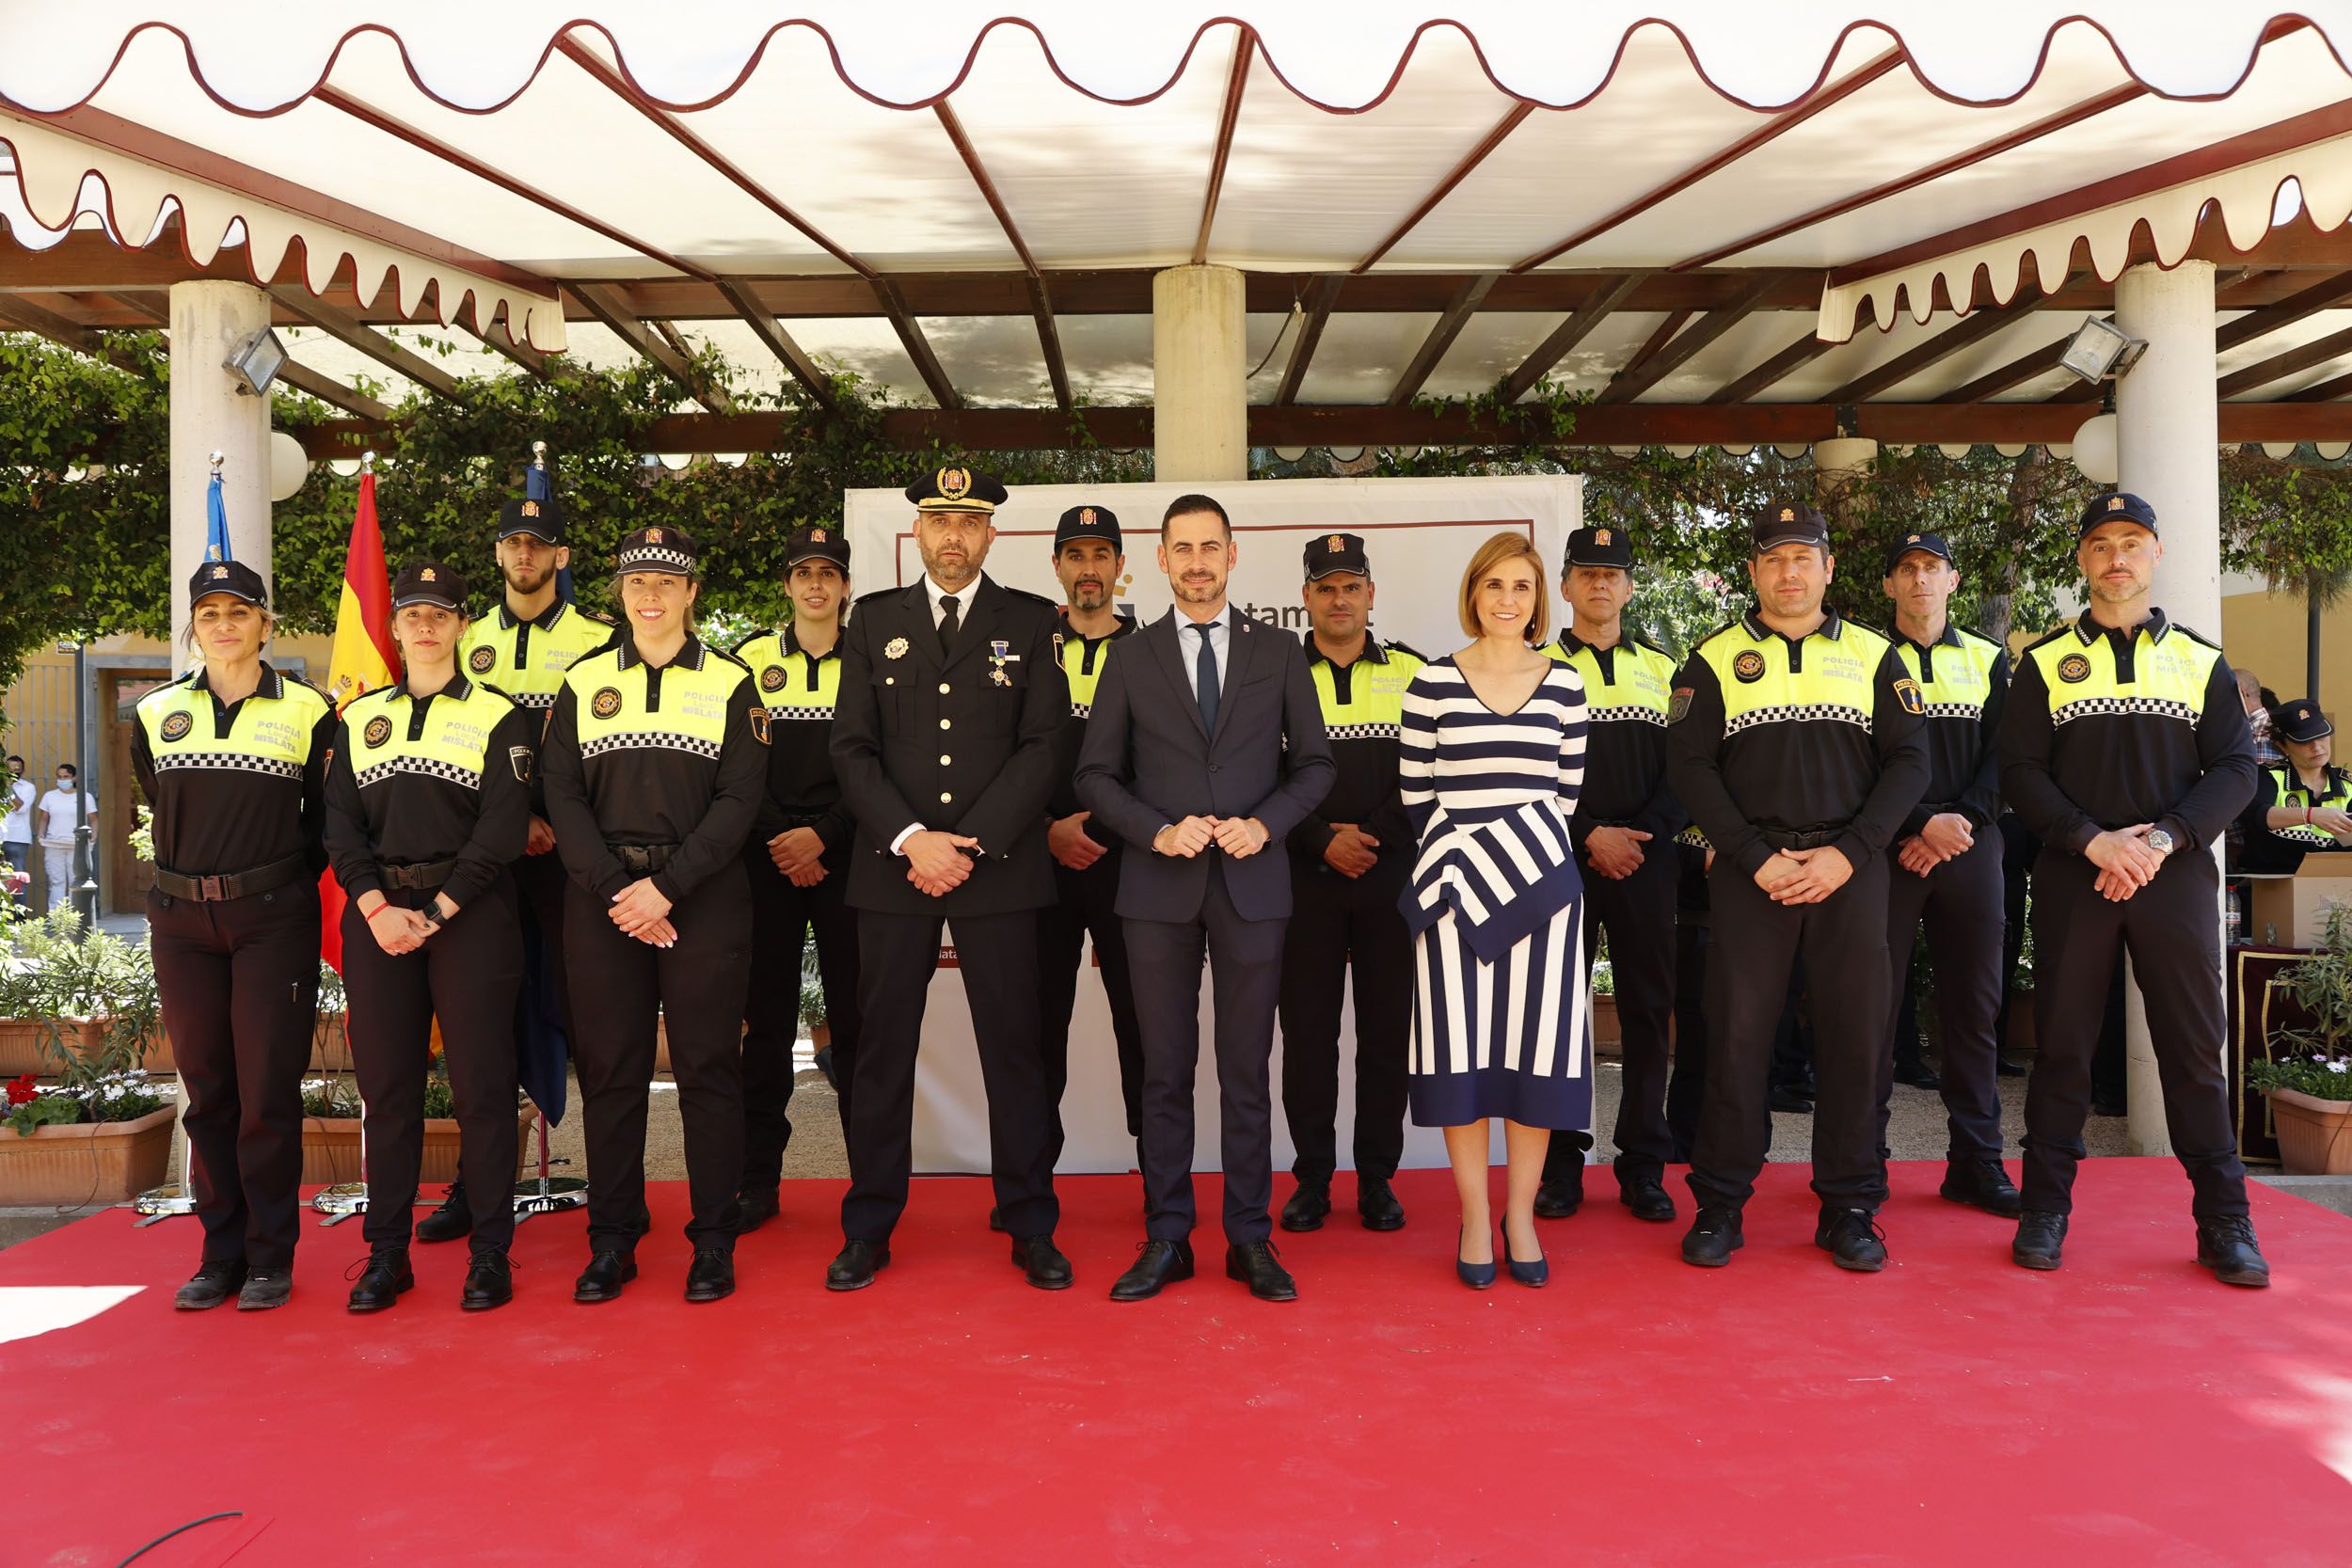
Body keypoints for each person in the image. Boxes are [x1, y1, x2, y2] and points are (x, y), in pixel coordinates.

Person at [1999, 490, 2268, 1286]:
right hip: (2074, 874)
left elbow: (2237, 769)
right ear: (2083, 558)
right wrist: (2094, 840)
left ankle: (2225, 1221)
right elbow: (2020, 772)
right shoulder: (2043, 663)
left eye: (2131, 542)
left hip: (2171, 875)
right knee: (2062, 1047)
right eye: (2101, 544)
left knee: (2193, 1049)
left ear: (2155, 553)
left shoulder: (2199, 660)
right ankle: (2044, 1208)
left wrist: (2158, 839)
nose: (2116, 557)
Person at [1077, 493, 1335, 1304]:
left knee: (1246, 1070)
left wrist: (1266, 824)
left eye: (1209, 547)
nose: (1196, 562)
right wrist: (1156, 831)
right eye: (1182, 548)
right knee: (1163, 1070)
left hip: (1254, 888)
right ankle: (1168, 1235)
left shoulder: (1279, 651)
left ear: (1232, 554)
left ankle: (1250, 1237)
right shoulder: (1130, 656)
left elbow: (1316, 765)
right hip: (1157, 891)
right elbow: (1094, 776)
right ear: (1159, 559)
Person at [825, 467, 1072, 1293]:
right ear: (919, 532)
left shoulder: (1030, 622)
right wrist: (911, 840)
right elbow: (852, 747)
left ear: (991, 533)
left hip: (997, 869)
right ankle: (868, 1226)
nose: (953, 536)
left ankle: (1030, 1222)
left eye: (969, 521)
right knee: (881, 1053)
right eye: (939, 520)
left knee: (1016, 1052)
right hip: (894, 870)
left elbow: (1043, 745)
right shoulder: (873, 619)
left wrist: (970, 843)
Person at [1668, 502, 1929, 1273]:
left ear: (1827, 568)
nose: (1789, 572)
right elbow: (1689, 767)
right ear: (1753, 571)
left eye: (1802, 557)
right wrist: (1753, 855)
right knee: (1737, 1038)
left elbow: (1911, 763)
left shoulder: (1877, 655)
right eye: (1774, 558)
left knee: (1855, 1041)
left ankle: (1850, 1206)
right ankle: (1720, 1202)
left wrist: (1851, 852)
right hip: (1754, 875)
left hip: (1849, 873)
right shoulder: (1711, 659)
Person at [540, 525, 765, 1305]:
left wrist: (665, 888)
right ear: (621, 590)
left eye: (666, 581)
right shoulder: (583, 681)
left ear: (691, 592)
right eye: (637, 580)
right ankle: (612, 1239)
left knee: (708, 1068)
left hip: (702, 898)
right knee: (611, 1071)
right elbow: (561, 795)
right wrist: (617, 890)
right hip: (603, 902)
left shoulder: (732, 681)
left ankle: (713, 1241)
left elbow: (740, 799)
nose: (650, 594)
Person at [324, 562, 535, 1312]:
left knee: (483, 1088)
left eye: (439, 613)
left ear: (461, 625)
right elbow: (339, 826)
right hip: (379, 917)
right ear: (394, 627)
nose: (424, 625)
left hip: (470, 914)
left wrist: (439, 909)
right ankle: (387, 1254)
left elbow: (503, 828)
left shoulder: (500, 716)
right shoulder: (359, 718)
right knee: (388, 1092)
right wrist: (377, 907)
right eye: (412, 613)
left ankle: (490, 1252)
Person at [133, 560, 336, 1311]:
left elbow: (323, 821)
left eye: (239, 611)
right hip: (182, 923)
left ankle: (269, 1256)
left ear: (264, 624)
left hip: (272, 919)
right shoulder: (155, 712)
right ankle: (220, 1254)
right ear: (194, 627)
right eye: (210, 613)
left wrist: (269, 883)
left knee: (267, 1090)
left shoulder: (311, 711)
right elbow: (160, 799)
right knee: (208, 1089)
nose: (224, 625)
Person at [1397, 531, 1590, 1291]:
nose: (1507, 599)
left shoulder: (1566, 683)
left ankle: (1521, 1217)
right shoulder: (1431, 682)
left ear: (1538, 599)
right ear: (1473, 593)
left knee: (1533, 1060)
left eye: (1521, 586)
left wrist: (1512, 862)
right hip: (1453, 898)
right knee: (1462, 1060)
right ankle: (1476, 1217)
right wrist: (1470, 866)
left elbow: (1565, 796)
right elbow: (1417, 797)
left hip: (1542, 898)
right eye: (1494, 585)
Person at [424, 495, 612, 1245]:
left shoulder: (603, 638)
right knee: (481, 1029)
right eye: (513, 543)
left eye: (539, 544)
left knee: (595, 1022)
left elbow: (607, 754)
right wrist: (509, 825)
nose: (525, 555)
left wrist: (555, 824)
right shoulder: (463, 637)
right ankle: (477, 1185)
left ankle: (614, 1192)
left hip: (575, 864)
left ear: (561, 556)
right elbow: (446, 751)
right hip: (486, 865)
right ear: (498, 553)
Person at [1534, 524, 1684, 1224]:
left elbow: (1688, 767)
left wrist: (1638, 836)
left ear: (1628, 587)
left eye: (1613, 573)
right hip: (1558, 858)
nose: (1600, 584)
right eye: (1587, 573)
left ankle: (1643, 1165)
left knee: (1648, 1011)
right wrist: (1589, 832)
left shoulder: (1665, 668)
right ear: (1565, 585)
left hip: (1647, 860)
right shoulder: (1533, 667)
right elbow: (1525, 773)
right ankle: (1560, 1165)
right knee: (1557, 1015)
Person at [1277, 532, 1422, 1235]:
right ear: (1306, 597)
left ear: (1371, 594)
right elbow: (1258, 774)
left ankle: (1376, 1178)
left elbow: (1429, 773)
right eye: (1326, 588)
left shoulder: (1415, 672)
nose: (1340, 599)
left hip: (1389, 877)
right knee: (1308, 1036)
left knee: (1385, 1033)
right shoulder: (1274, 674)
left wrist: (1372, 838)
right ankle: (1312, 1178)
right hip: (1303, 879)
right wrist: (1319, 839)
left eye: (1351, 587)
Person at [1874, 531, 2018, 1217]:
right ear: (1889, 585)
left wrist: (1954, 824)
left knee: (1974, 1009)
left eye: (1932, 568)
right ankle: (1862, 1160)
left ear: (1953, 580)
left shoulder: (1989, 658)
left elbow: (2008, 756)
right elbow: (1858, 758)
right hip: (1889, 850)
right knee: (1871, 1010)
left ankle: (1976, 1163)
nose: (1920, 580)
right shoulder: (1864, 657)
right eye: (1907, 569)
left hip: (1971, 848)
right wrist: (1916, 823)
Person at [730, 525, 865, 1232]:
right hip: (767, 858)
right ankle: (758, 1180)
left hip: (851, 857)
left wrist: (825, 834)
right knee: (766, 1027)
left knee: (858, 1025)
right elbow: (737, 765)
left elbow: (882, 763)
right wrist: (784, 837)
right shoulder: (748, 658)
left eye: (828, 573)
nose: (816, 585)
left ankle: (870, 1186)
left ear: (845, 586)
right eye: (804, 573)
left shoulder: (871, 654)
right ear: (787, 584)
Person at [1034, 503, 1147, 1189]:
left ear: (1119, 567)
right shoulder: (1025, 647)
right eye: (1075, 555)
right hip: (1041, 862)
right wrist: (1048, 827)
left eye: (1101, 555)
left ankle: (1158, 1178)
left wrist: (1103, 828)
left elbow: (1165, 764)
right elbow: (1003, 756)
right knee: (1038, 1027)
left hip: (1125, 864)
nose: (1088, 569)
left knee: (1141, 1024)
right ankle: (1031, 1181)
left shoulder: (1152, 651)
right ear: (1057, 566)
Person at [2237, 698, 2350, 873]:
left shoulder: (2347, 783)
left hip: (2336, 884)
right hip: (2274, 884)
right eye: (2304, 741)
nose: (2317, 747)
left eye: (2321, 736)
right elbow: (2254, 815)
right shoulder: (2267, 776)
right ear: (2282, 746)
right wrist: (2311, 815)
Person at [36, 763, 94, 914]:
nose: (62, 780)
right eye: (59, 777)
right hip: (54, 844)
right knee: (56, 881)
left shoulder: (84, 797)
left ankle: (75, 916)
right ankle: (57, 916)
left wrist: (93, 840)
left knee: (76, 880)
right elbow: (43, 818)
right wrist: (41, 835)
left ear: (74, 778)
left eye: (66, 777)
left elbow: (94, 820)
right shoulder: (49, 796)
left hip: (76, 845)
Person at [3, 755, 32, 912]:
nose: (13, 772)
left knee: (17, 879)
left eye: (17, 769)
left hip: (17, 839)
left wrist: (8, 787)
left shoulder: (28, 788)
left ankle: (19, 918)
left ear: (23, 770)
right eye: (10, 769)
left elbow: (20, 807)